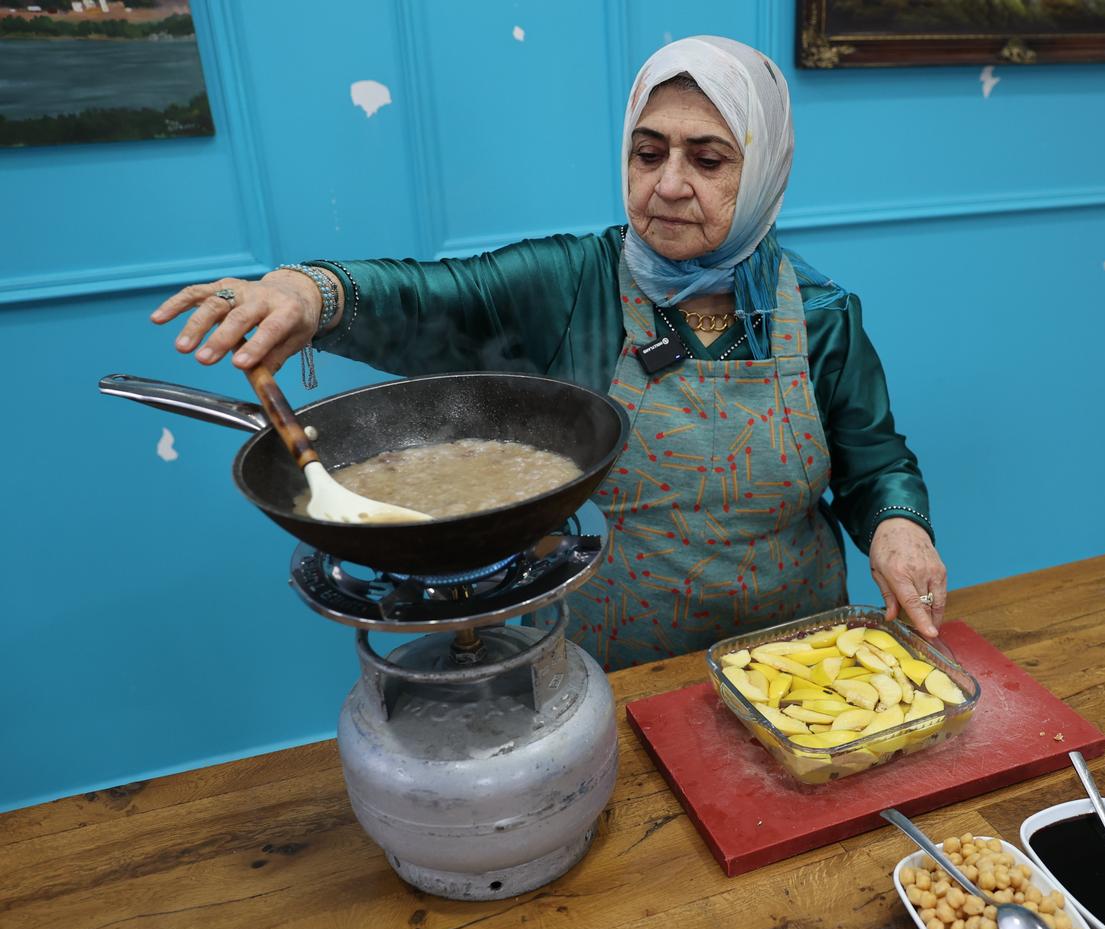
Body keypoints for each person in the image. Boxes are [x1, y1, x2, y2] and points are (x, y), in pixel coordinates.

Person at [151, 35, 947, 671]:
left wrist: (897, 526)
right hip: (610, 672)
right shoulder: (572, 284)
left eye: (707, 159)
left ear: (765, 167)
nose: (667, 184)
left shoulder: (820, 314)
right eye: (647, 152)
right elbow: (438, 296)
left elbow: (873, 466)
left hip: (798, 667)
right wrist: (307, 293)